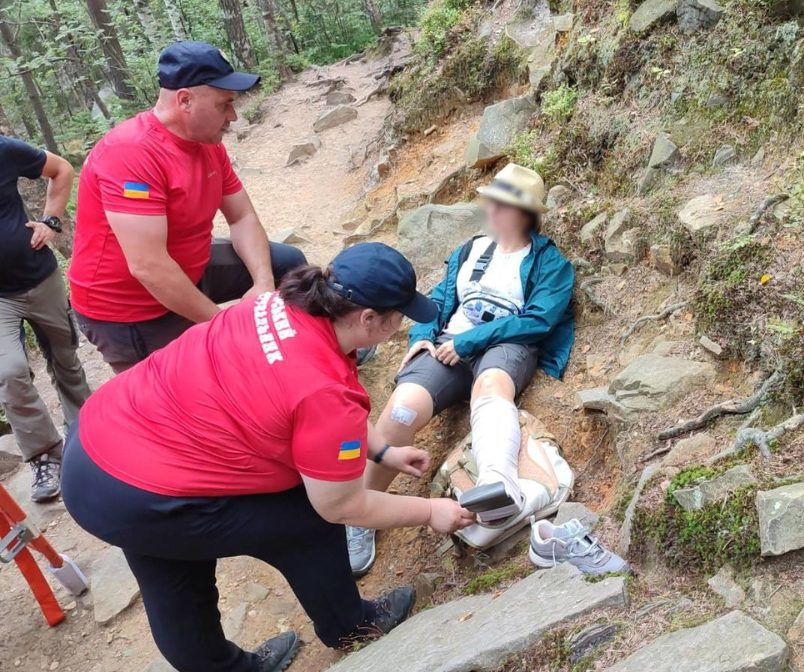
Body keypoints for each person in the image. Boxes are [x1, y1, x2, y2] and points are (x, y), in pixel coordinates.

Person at [62, 243, 476, 672]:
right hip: (142, 487)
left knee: (170, 567)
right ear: (368, 319)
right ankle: (352, 625)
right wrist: (430, 511)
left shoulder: (276, 304)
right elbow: (340, 504)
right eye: (399, 316)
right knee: (306, 519)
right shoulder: (324, 389)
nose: (400, 324)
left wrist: (382, 450)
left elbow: (307, 402)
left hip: (98, 448)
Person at [348, 164, 575, 576]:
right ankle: (359, 511)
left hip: (507, 346)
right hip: (448, 342)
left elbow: (539, 320)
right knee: (403, 407)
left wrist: (468, 342)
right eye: (491, 201)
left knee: (491, 386)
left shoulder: (550, 263)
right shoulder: (470, 250)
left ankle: (497, 483)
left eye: (501, 204)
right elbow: (438, 297)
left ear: (524, 212)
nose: (490, 209)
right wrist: (422, 332)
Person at [68, 41, 307, 373]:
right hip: (131, 309)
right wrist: (223, 322)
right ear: (185, 100)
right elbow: (148, 267)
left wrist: (263, 282)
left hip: (191, 267)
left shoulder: (207, 144)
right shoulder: (131, 153)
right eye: (225, 105)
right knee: (188, 392)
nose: (233, 116)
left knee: (288, 264)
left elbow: (242, 216)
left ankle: (299, 350)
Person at [0, 133, 91, 503]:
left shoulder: (3, 150)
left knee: (66, 358)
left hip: (40, 278)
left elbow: (61, 169)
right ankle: (44, 457)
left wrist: (50, 222)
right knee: (9, 373)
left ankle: (87, 436)